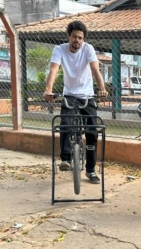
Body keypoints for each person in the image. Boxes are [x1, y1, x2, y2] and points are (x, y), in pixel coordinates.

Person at [43, 20, 108, 184]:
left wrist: (102, 88)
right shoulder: (59, 49)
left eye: (80, 37)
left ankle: (91, 170)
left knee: (92, 132)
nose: (77, 40)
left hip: (87, 95)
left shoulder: (88, 49)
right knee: (65, 123)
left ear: (83, 39)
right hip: (70, 94)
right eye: (74, 37)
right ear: (68, 36)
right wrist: (48, 89)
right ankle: (65, 159)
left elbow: (95, 69)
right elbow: (54, 70)